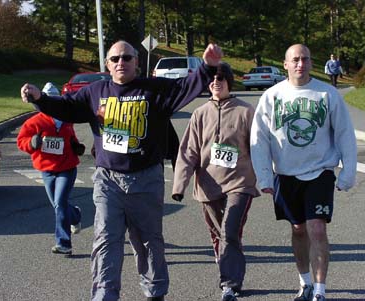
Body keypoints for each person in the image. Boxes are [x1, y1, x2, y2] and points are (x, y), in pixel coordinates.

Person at [20, 40, 223, 301]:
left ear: (137, 62)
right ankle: (104, 294)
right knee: (106, 239)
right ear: (107, 64)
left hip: (146, 178)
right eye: (115, 58)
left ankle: (154, 291)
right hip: (108, 179)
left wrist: (208, 66)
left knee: (148, 240)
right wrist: (40, 99)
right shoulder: (96, 91)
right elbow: (67, 107)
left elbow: (186, 87)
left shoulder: (154, 89)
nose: (121, 63)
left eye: (127, 58)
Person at [250, 44, 357, 301]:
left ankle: (320, 291)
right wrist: (264, 176)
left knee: (317, 229)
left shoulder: (327, 94)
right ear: (285, 64)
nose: (300, 64)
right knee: (298, 229)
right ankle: (305, 282)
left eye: (305, 59)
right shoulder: (272, 96)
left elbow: (345, 135)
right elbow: (259, 138)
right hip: (285, 174)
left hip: (320, 171)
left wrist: (347, 173)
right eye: (295, 60)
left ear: (311, 63)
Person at [171, 62, 259, 301]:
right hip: (208, 185)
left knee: (230, 229)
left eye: (221, 78)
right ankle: (230, 272)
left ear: (229, 81)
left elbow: (259, 148)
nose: (216, 82)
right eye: (211, 79)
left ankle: (229, 284)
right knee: (219, 235)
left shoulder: (246, 111)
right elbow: (188, 151)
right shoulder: (200, 113)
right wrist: (179, 186)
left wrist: (268, 177)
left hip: (240, 182)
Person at [17, 82, 85, 255]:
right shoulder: (34, 122)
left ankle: (64, 243)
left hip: (67, 168)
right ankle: (75, 215)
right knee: (58, 204)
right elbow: (21, 142)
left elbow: (71, 139)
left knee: (60, 202)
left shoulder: (66, 120)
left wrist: (76, 146)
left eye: (56, 98)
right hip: (46, 170)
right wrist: (32, 143)